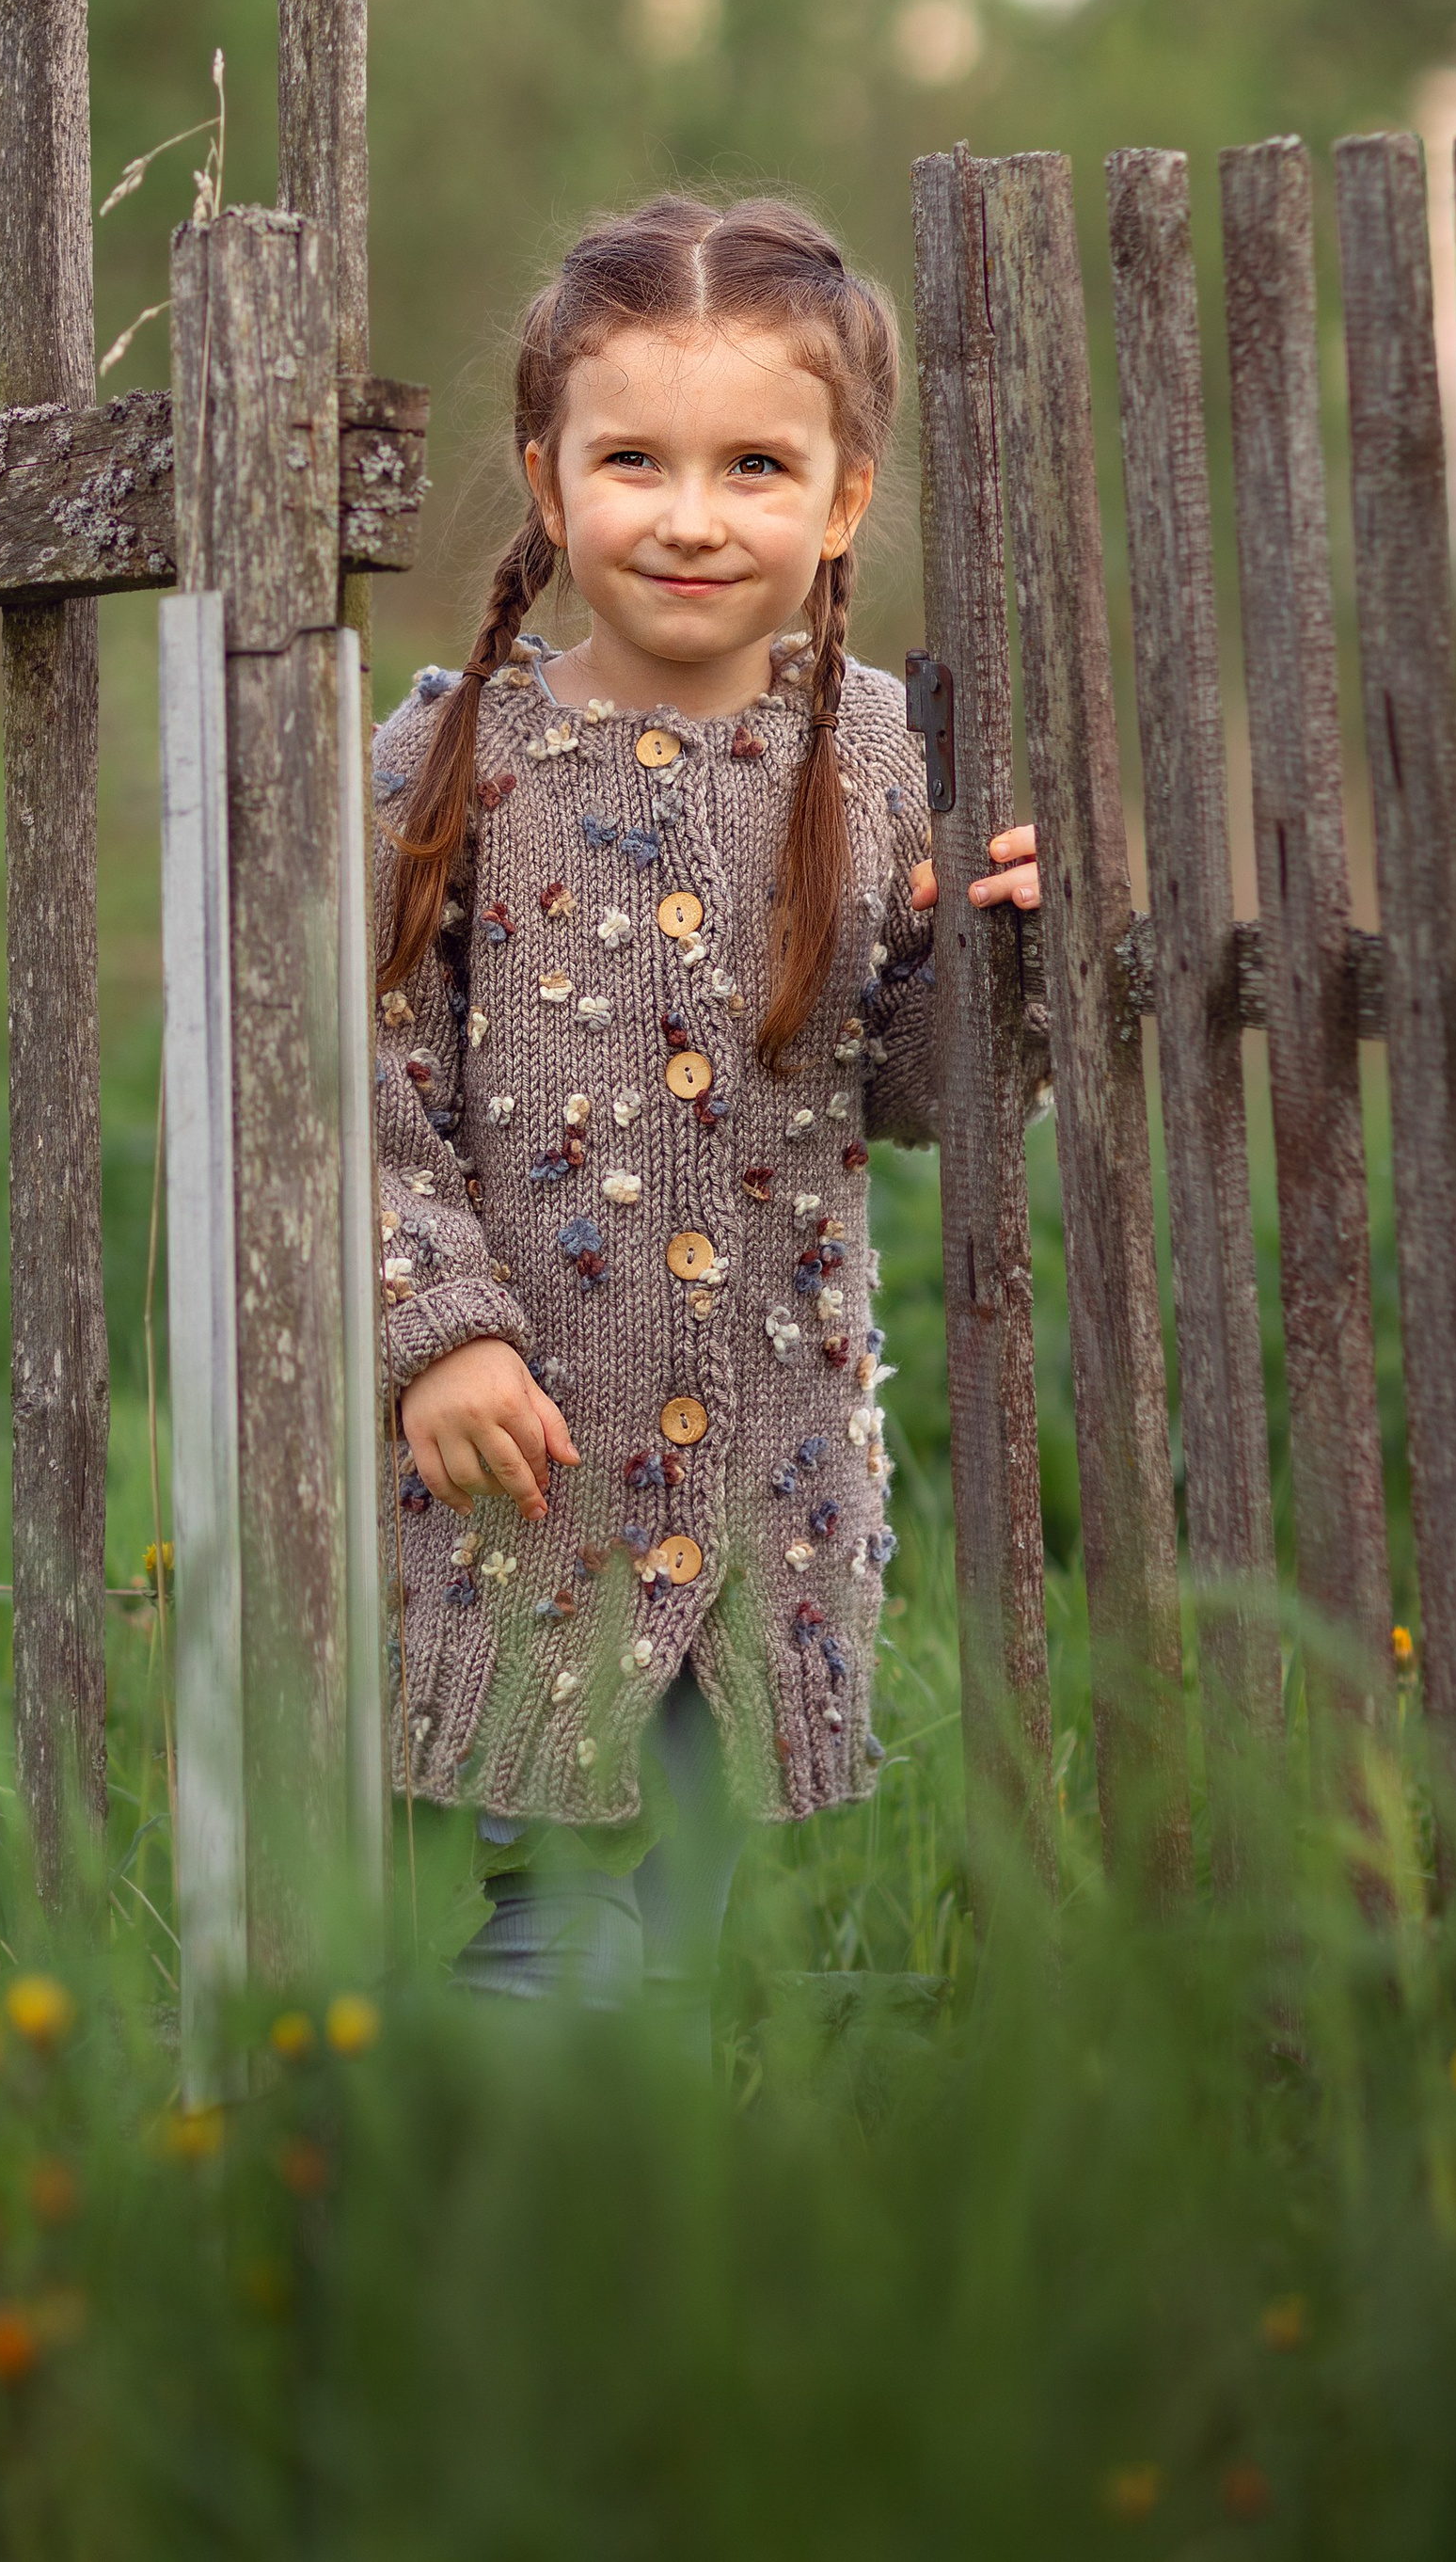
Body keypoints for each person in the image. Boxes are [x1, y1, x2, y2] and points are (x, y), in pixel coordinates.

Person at [370, 192, 1037, 2051]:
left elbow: (903, 1091)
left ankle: (601, 2191)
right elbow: (354, 1071)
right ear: (544, 476)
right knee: (559, 1915)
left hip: (759, 1477)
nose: (688, 514)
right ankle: (498, 2187)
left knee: (667, 1907)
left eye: (753, 464)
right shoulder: (452, 758)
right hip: (518, 1460)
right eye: (631, 460)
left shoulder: (877, 757)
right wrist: (440, 1329)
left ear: (839, 497)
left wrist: (994, 957)